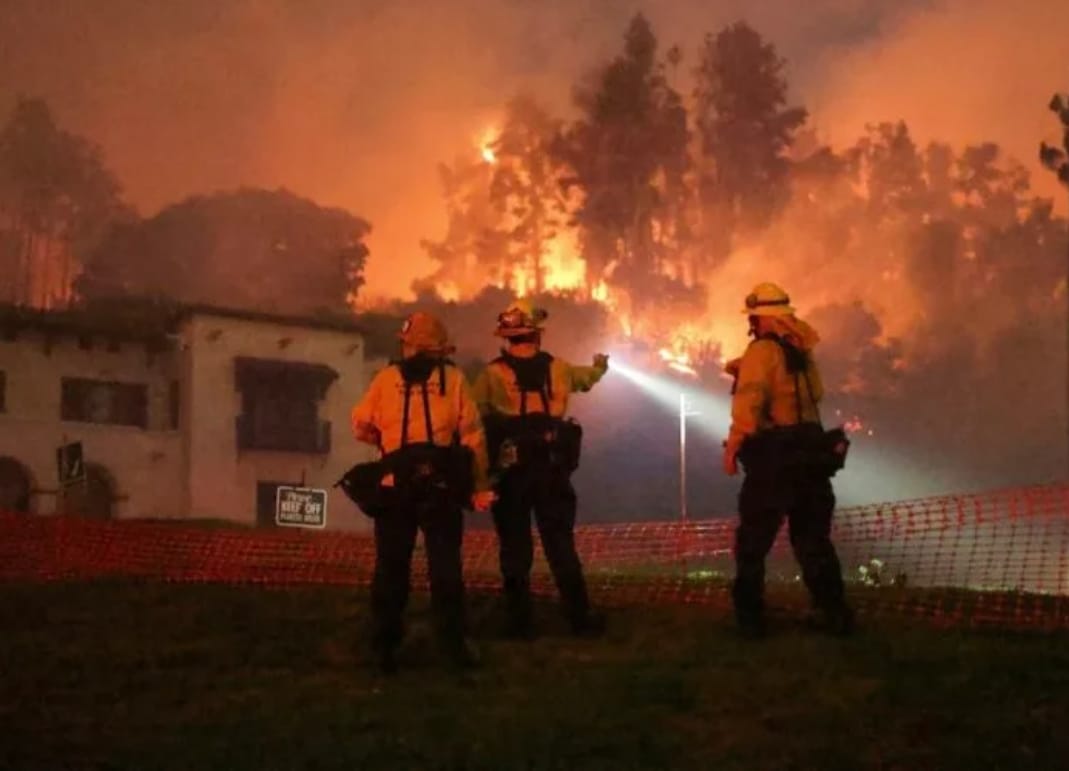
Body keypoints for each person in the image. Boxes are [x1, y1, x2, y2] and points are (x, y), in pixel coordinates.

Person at [350, 311, 494, 673]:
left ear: (409, 345)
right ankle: (453, 648)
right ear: (440, 348)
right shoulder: (455, 379)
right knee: (445, 568)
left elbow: (361, 425)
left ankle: (383, 649)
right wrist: (478, 486)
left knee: (390, 568)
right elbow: (474, 437)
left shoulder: (385, 379)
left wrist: (388, 441)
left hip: (395, 486)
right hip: (441, 486)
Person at [721, 282, 854, 638]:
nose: (750, 322)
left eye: (752, 316)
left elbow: (750, 401)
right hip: (811, 455)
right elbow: (816, 394)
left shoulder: (762, 351)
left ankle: (750, 621)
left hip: (775, 459)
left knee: (752, 543)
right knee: (813, 541)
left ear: (760, 317)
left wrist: (733, 446)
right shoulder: (800, 350)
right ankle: (834, 614)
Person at [473, 298, 609, 639]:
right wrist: (600, 366)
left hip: (512, 472)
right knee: (560, 544)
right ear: (538, 335)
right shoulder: (559, 369)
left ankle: (519, 624)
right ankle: (579, 619)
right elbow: (587, 377)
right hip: (552, 470)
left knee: (515, 548)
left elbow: (472, 414)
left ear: (507, 336)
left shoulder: (491, 374)